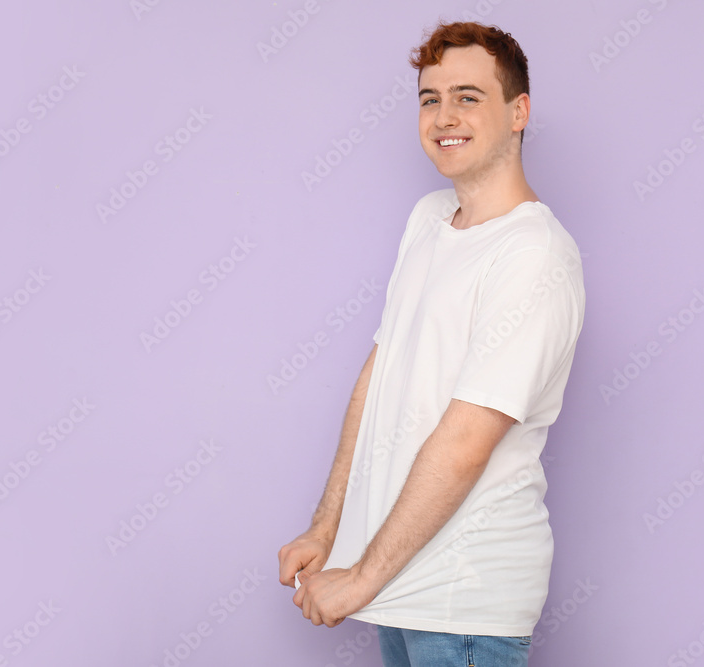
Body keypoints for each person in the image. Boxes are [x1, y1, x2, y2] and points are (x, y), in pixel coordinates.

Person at [278, 20, 585, 666]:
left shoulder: (534, 255)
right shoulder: (427, 221)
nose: (445, 115)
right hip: (402, 587)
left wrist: (359, 578)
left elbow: (468, 438)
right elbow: (380, 375)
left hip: (464, 603)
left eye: (469, 96)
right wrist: (328, 529)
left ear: (519, 111)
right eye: (430, 97)